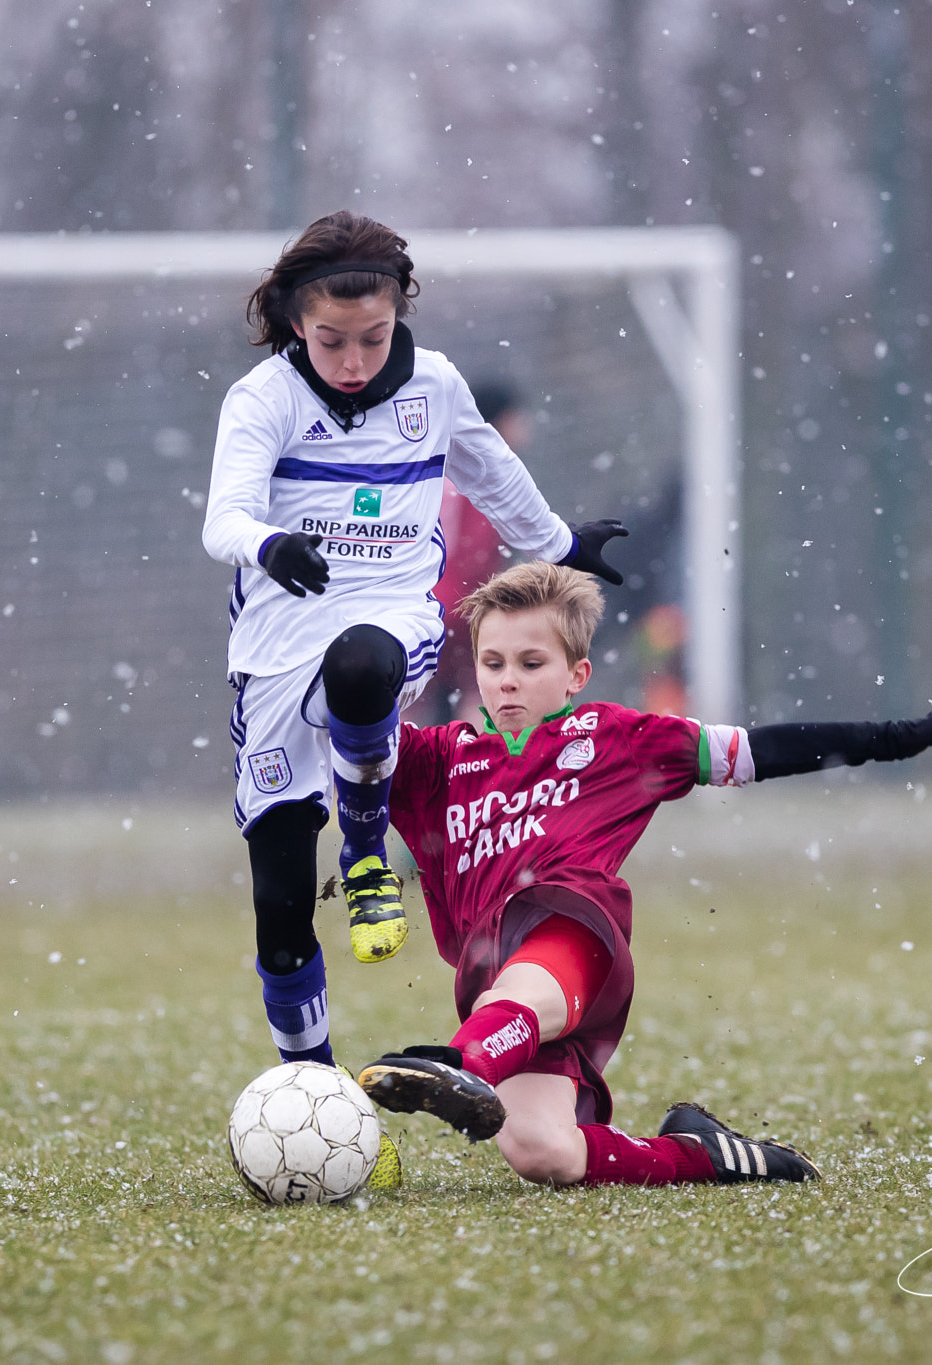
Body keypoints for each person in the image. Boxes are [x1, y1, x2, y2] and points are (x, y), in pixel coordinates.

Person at [355, 561, 932, 1187]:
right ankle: (705, 1153)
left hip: (572, 928)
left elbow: (760, 750)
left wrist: (899, 735)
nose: (508, 682)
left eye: (531, 663)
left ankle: (455, 1065)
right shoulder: (436, 759)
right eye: (493, 664)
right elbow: (344, 718)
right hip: (492, 972)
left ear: (577, 673)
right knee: (543, 1151)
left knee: (521, 984)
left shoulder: (617, 736)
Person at [201, 211, 629, 1095]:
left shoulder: (432, 387)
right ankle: (317, 1094)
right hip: (277, 650)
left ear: (400, 318)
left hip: (393, 612)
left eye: (373, 338)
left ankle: (364, 855)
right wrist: (269, 545)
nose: (354, 360)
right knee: (279, 918)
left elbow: (490, 473)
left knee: (363, 664)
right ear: (293, 324)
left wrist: (561, 543)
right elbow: (224, 516)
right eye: (330, 341)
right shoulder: (263, 397)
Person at [421, 382, 524, 725]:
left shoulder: (449, 471)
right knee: (476, 696)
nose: (524, 430)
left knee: (428, 701)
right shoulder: (476, 480)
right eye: (515, 420)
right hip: (460, 610)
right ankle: (467, 770)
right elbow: (469, 553)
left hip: (443, 608)